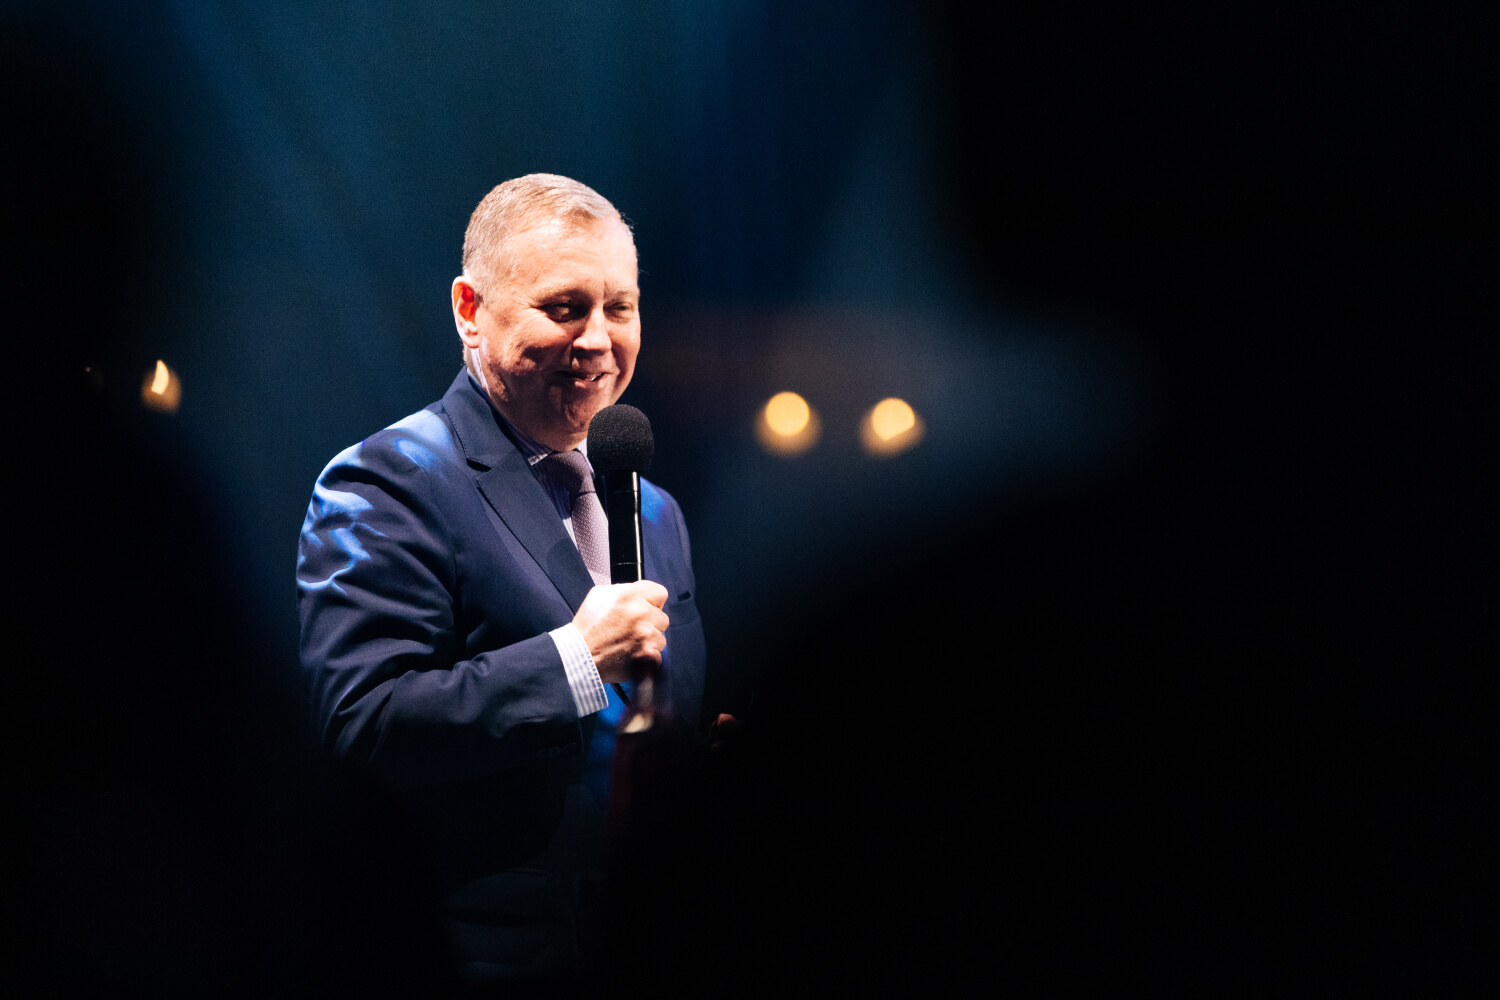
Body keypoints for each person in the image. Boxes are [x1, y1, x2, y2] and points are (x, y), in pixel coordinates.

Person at [296, 174, 708, 984]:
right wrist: (576, 661)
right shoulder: (389, 482)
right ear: (470, 311)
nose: (597, 338)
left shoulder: (655, 510)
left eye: (618, 307)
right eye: (564, 308)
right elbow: (361, 726)